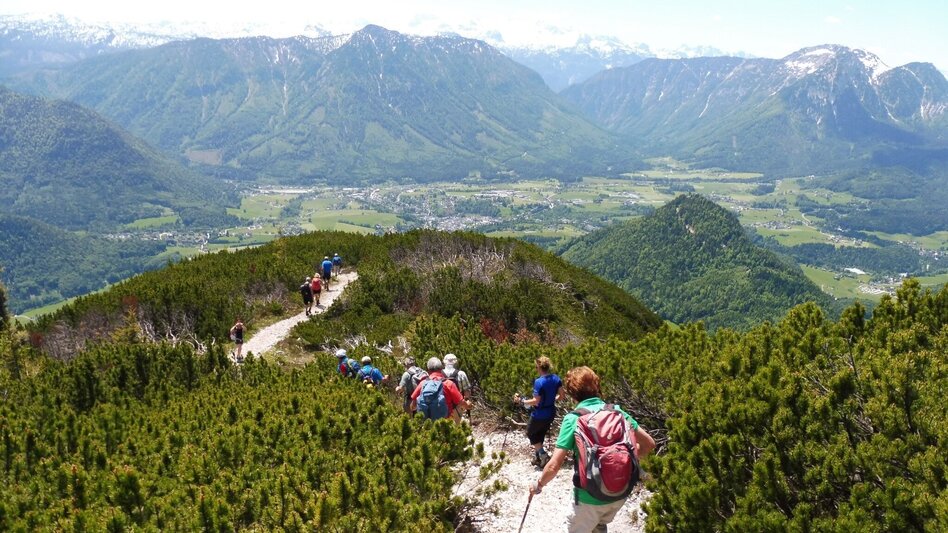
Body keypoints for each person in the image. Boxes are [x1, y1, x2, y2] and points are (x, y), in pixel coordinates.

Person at [529, 366, 656, 533]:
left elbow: (554, 466)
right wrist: (623, 460)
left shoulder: (573, 419)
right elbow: (649, 444)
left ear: (572, 394)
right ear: (597, 386)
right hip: (620, 493)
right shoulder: (617, 412)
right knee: (599, 524)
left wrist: (538, 485)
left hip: (588, 498)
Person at [513, 356, 563, 467]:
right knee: (540, 433)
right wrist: (552, 399)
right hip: (551, 412)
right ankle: (538, 458)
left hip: (540, 414)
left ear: (539, 367)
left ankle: (543, 454)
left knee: (530, 432)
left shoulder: (539, 382)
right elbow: (562, 396)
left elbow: (536, 401)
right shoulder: (556, 378)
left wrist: (521, 401)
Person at [410, 357, 471, 422]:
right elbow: (461, 403)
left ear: (428, 370)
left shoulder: (422, 384)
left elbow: (412, 406)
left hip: (427, 424)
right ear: (441, 369)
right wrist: (468, 405)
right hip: (445, 422)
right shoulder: (449, 384)